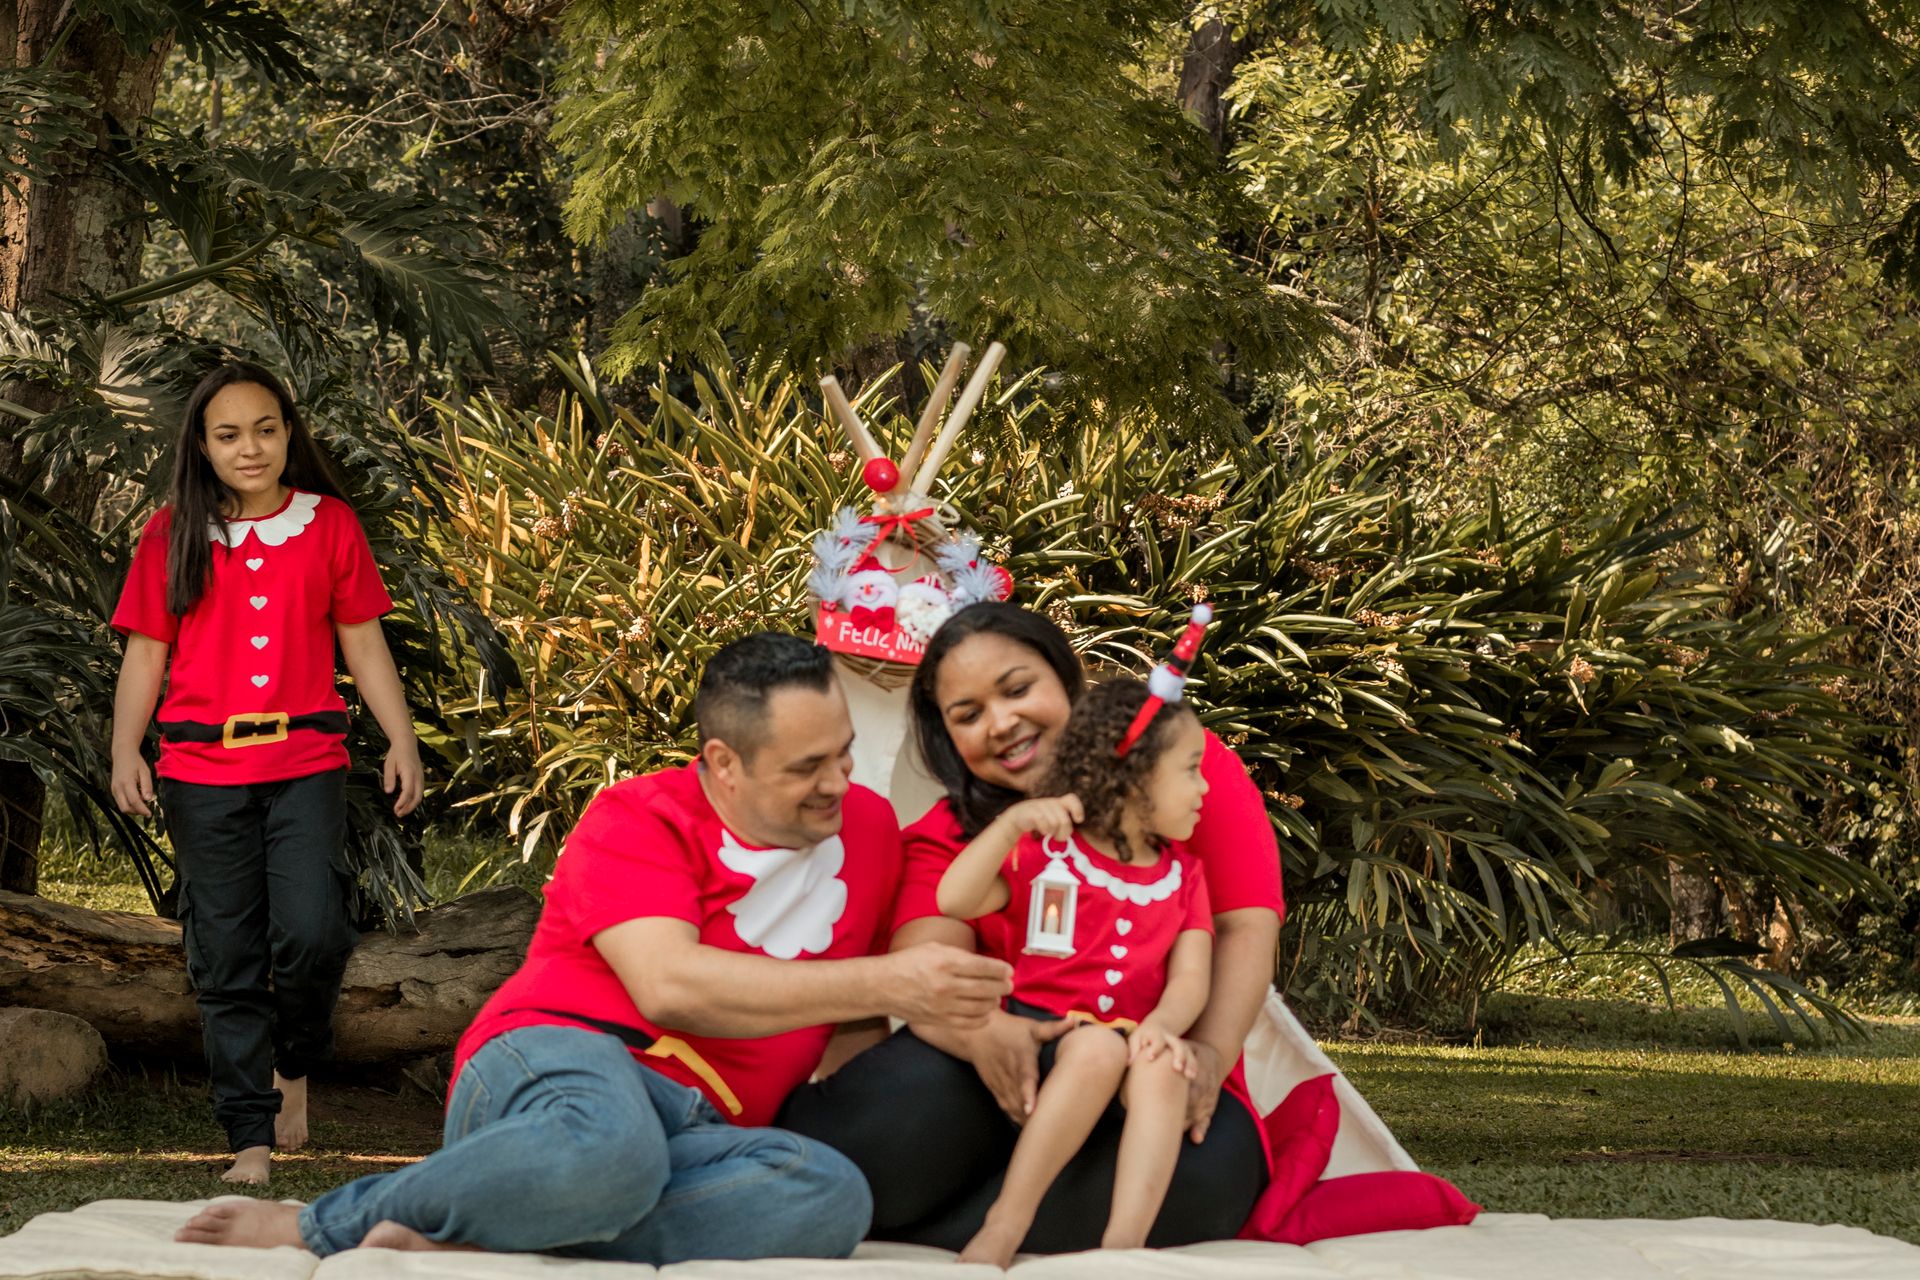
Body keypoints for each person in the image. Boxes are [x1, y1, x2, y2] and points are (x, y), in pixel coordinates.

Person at [175, 632, 1013, 1261]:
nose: (837, 782)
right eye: (805, 768)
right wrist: (891, 984)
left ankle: (495, 1230)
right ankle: (323, 1223)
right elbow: (666, 986)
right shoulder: (638, 815)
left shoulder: (869, 828)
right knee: (608, 1145)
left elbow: (861, 1021)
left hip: (701, 1128)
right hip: (560, 1063)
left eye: (844, 755)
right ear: (723, 762)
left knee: (829, 1195)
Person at [781, 602, 1282, 1251]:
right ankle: (990, 1211)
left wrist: (1208, 1053)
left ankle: (957, 1224)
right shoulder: (960, 833)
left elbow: (1242, 929)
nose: (1002, 722)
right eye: (968, 715)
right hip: (1001, 1062)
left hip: (1143, 1069)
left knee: (1211, 1172)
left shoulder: (1177, 770)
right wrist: (987, 1033)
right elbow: (927, 960)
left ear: (1065, 677)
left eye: (1018, 689)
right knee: (879, 1128)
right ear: (947, 739)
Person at [109, 362, 423, 1186]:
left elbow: (362, 642)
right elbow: (146, 652)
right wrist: (124, 750)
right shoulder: (172, 530)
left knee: (314, 929)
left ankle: (295, 1060)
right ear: (202, 447)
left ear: (289, 434)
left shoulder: (329, 524)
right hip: (198, 768)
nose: (250, 448)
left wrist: (402, 740)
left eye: (265, 429)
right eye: (228, 435)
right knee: (226, 950)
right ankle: (249, 1131)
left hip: (305, 760)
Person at [935, 678, 1214, 1267]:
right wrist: (1010, 827)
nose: (1204, 787)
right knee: (1096, 1052)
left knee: (1162, 1067)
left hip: (1129, 1040)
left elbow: (1191, 979)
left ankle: (1122, 1250)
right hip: (1044, 1037)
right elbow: (955, 900)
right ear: (1135, 777)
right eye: (1190, 769)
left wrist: (1161, 1027)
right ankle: (1004, 1226)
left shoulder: (1183, 875)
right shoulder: (1050, 851)